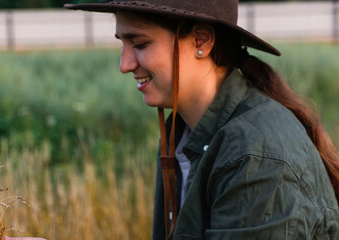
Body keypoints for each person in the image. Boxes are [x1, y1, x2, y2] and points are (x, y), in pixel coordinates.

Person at [65, 0, 339, 239]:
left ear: (201, 41)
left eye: (140, 44)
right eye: (122, 43)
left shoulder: (255, 153)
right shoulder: (182, 132)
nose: (124, 65)